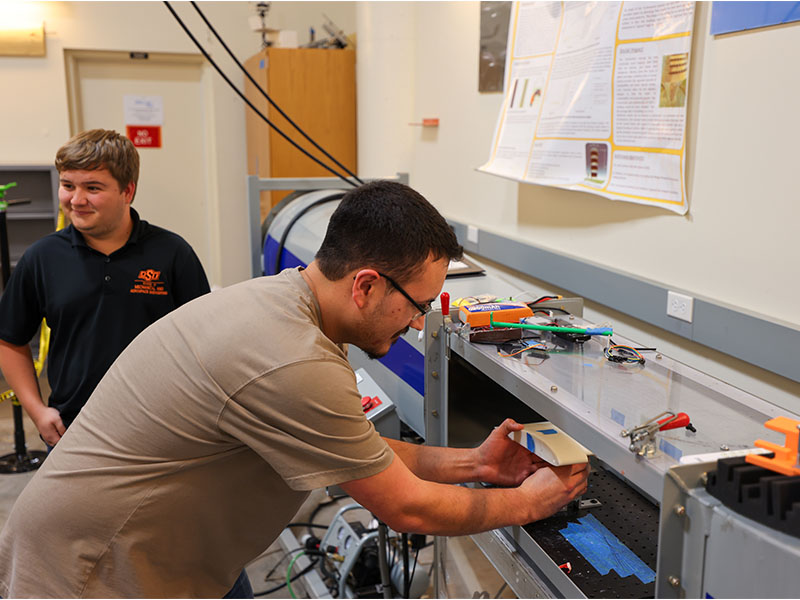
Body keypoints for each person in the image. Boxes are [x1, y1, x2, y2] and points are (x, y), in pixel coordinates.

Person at [0, 180, 588, 598]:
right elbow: (406, 507)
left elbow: (353, 450)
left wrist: (476, 462)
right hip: (93, 571)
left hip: (168, 547)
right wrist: (531, 502)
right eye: (418, 306)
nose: (417, 323)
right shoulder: (291, 358)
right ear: (365, 285)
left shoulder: (283, 300)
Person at [0, 129, 210, 449]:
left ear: (128, 191)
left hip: (162, 426)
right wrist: (37, 411)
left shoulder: (173, 253)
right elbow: (9, 339)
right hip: (73, 429)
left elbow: (205, 343)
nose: (76, 199)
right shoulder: (42, 258)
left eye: (93, 188)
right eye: (67, 185)